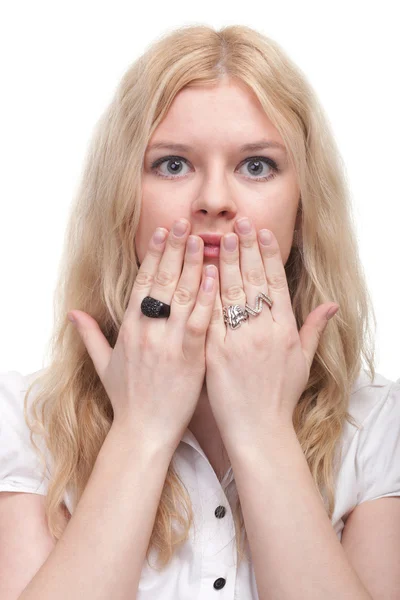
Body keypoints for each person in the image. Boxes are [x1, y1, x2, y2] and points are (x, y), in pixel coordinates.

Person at [1, 24, 399, 600]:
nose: (214, 199)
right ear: (122, 199)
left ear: (304, 208)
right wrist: (141, 429)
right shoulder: (25, 423)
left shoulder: (376, 429)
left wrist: (262, 431)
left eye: (257, 166)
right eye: (172, 165)